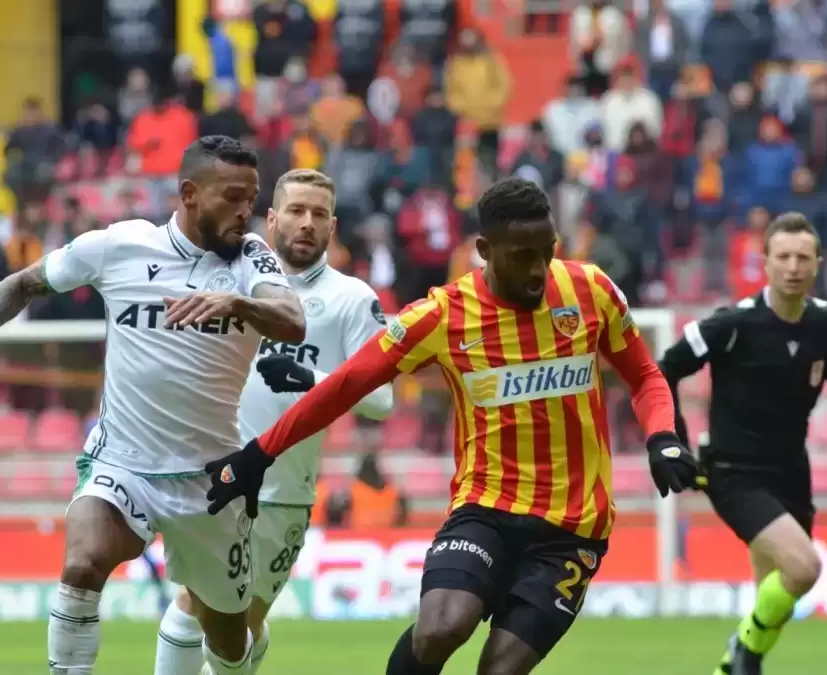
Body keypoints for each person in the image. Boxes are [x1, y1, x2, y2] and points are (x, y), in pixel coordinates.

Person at [203, 177, 701, 675]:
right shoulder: (444, 314)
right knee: (441, 626)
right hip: (485, 509)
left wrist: (663, 436)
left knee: (500, 670)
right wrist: (258, 455)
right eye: (522, 256)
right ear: (484, 251)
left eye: (546, 253)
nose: (538, 270)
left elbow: (645, 375)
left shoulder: (590, 290)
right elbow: (348, 384)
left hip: (571, 529)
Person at [0, 135, 306, 675]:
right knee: (82, 565)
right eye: (232, 197)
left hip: (211, 481)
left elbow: (292, 321)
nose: (245, 211)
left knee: (229, 645)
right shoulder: (120, 246)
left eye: (251, 198)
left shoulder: (252, 258)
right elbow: (22, 284)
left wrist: (236, 303)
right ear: (189, 193)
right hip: (122, 464)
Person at [154, 168, 393, 675]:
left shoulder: (353, 299)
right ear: (271, 218)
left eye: (319, 214)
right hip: (217, 475)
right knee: (191, 609)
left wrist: (309, 378)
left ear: (333, 226)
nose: (307, 223)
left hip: (285, 492)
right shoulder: (229, 281)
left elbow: (382, 400)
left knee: (244, 629)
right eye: (296, 210)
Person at [660, 213, 827, 675]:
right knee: (804, 568)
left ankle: (732, 665)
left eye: (803, 257)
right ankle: (743, 651)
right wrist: (675, 440)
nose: (793, 267)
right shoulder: (734, 324)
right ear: (766, 263)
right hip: (734, 472)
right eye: (783, 257)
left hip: (791, 472)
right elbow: (665, 369)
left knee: (775, 593)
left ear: (818, 264)